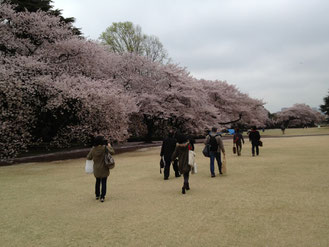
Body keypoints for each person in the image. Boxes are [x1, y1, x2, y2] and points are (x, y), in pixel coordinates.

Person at [87, 136, 114, 202]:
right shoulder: (104, 148)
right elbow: (112, 152)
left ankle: (97, 195)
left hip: (96, 168)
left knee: (97, 181)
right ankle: (102, 196)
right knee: (104, 182)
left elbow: (89, 157)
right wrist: (109, 146)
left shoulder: (93, 149)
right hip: (104, 167)